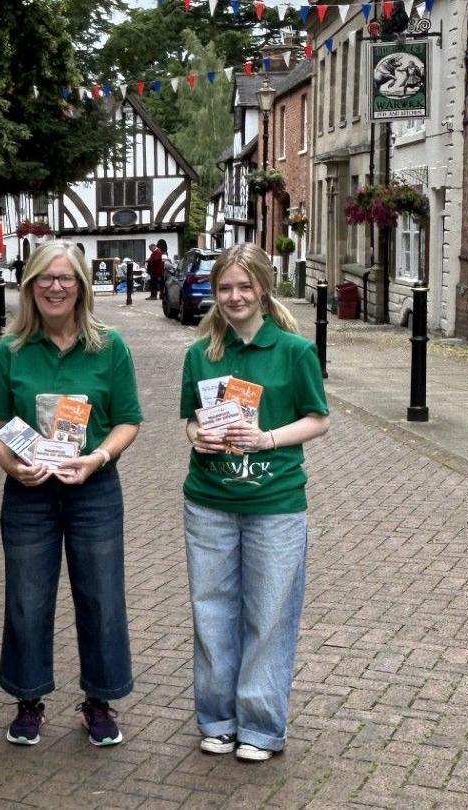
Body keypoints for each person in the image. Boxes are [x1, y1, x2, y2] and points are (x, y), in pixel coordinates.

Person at [0, 240, 142, 747]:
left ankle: (100, 700)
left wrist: (96, 458)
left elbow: (127, 422)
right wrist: (14, 466)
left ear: (81, 285)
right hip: (29, 494)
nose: (56, 287)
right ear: (30, 286)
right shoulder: (10, 350)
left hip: (93, 490)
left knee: (101, 597)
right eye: (45, 279)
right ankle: (29, 699)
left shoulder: (109, 346)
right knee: (27, 599)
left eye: (66, 278)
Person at [177, 242, 329, 762]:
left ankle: (261, 727)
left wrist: (267, 439)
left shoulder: (295, 351)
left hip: (276, 503)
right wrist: (197, 434)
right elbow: (192, 419)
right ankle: (217, 719)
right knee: (212, 612)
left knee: (268, 613)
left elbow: (319, 419)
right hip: (209, 500)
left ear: (263, 288)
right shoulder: (201, 354)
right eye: (225, 288)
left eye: (245, 287)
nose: (235, 296)